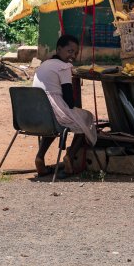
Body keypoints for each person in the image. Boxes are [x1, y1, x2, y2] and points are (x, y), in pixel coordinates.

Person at [31, 35, 98, 176]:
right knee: (86, 118)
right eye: (69, 51)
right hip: (54, 112)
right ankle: (69, 156)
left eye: (75, 53)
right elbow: (68, 99)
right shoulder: (64, 67)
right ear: (59, 49)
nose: (72, 56)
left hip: (37, 113)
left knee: (54, 127)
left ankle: (39, 157)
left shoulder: (44, 64)